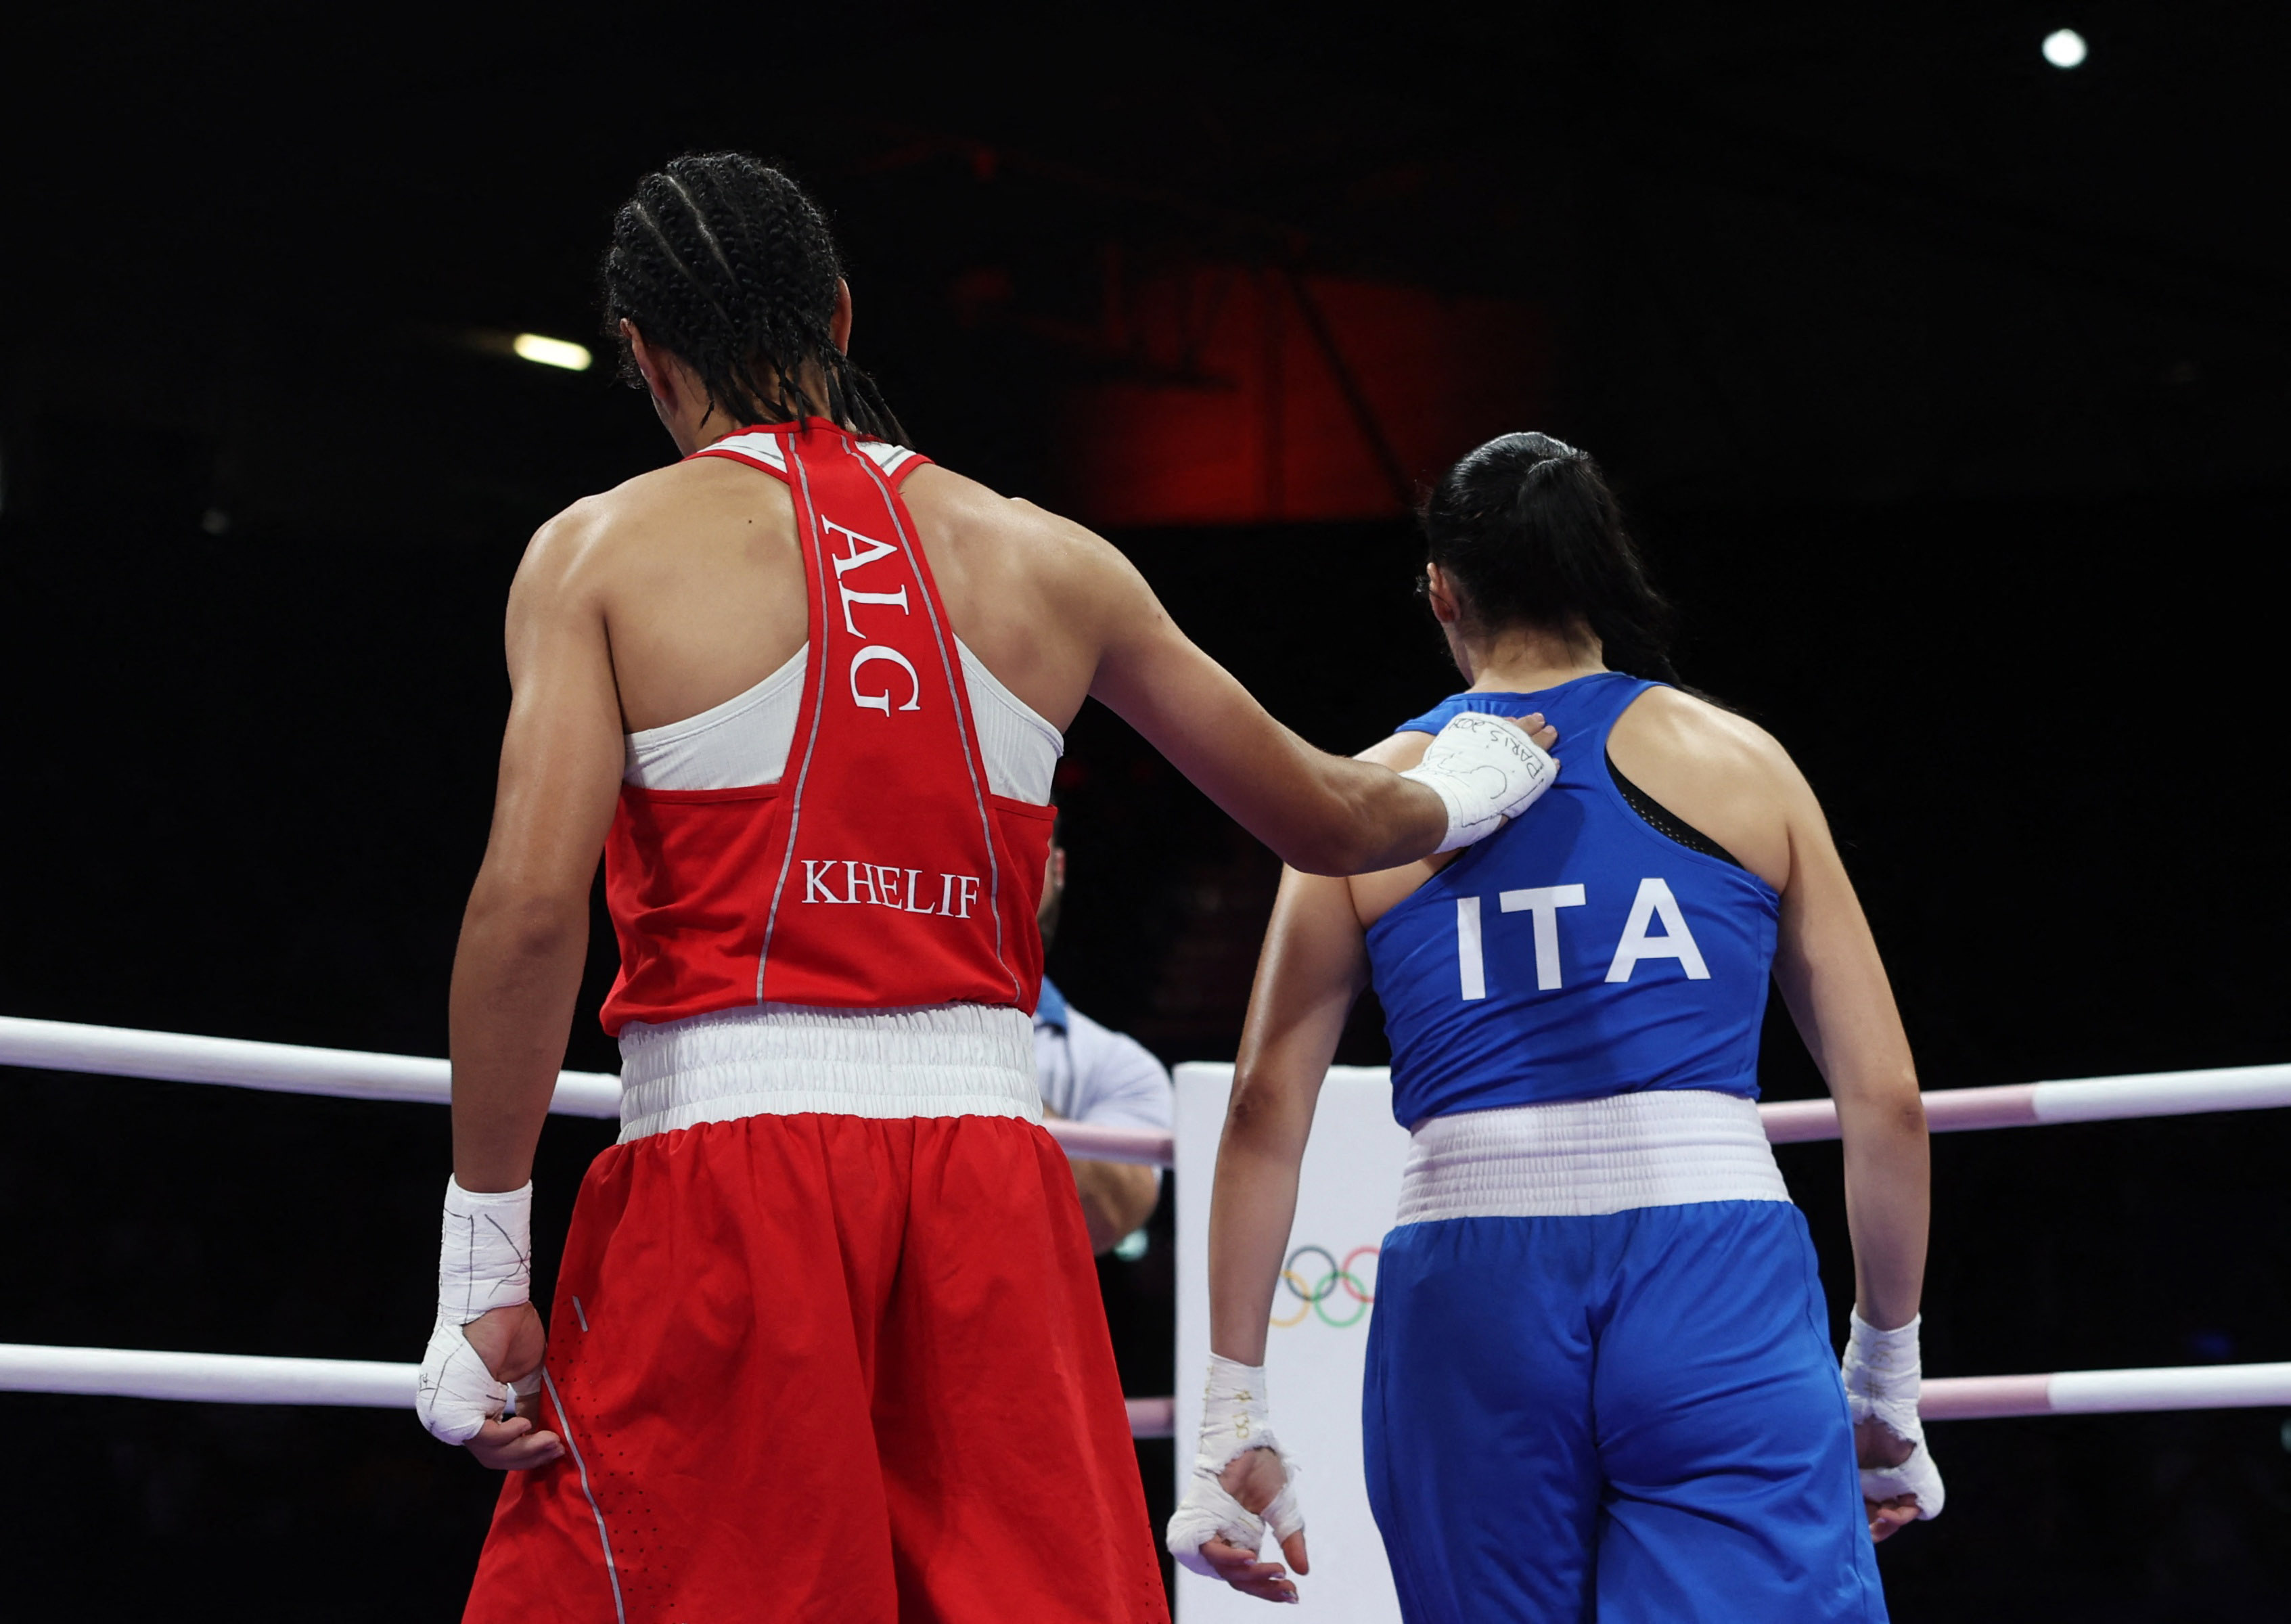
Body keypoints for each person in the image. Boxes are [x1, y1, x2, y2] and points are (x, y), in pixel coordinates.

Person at [411, 154, 1562, 1624]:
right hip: (991, 1186)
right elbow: (1333, 816)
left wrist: (483, 1265)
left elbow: (525, 912)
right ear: (839, 308)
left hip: (731, 1181)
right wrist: (1483, 776)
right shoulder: (1048, 558)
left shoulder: (599, 554)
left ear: (642, 356)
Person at [1168, 432, 1938, 1621]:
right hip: (1713, 1271)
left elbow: (1269, 1105)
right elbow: (1882, 1098)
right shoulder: (1747, 768)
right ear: (1602, 571)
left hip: (1470, 1300)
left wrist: (1229, 1415)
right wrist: (1885, 1372)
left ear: (1441, 593)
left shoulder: (1369, 799)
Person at [1033, 826, 1172, 1253]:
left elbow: (1108, 1219)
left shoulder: (1120, 1067)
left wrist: (981, 1053)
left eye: (1017, 837)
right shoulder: (837, 1020)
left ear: (1058, 869)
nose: (990, 860)